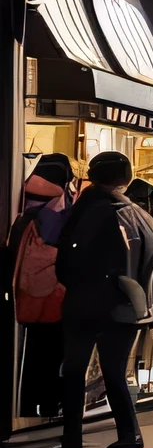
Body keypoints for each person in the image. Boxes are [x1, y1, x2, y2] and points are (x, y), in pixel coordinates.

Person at [45, 151, 153, 448]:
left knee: (73, 371)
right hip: (129, 306)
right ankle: (129, 435)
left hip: (87, 304)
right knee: (114, 372)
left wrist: (72, 283)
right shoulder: (139, 214)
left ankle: (72, 443)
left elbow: (69, 257)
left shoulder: (91, 208)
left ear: (94, 176)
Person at [6, 152, 74, 422]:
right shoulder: (59, 210)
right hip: (56, 297)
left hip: (25, 296)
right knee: (54, 353)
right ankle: (50, 404)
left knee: (32, 354)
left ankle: (26, 404)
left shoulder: (24, 210)